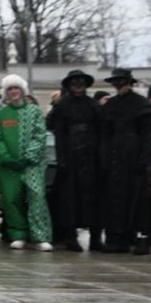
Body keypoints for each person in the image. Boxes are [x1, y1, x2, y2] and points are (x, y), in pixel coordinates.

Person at [96, 68, 151, 255]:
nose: (119, 84)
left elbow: (147, 134)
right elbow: (104, 134)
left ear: (129, 81)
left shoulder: (140, 103)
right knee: (115, 199)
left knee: (137, 199)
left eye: (122, 80)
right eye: (116, 81)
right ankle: (116, 238)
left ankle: (140, 238)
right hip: (115, 156)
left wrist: (144, 157)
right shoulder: (111, 105)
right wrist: (104, 158)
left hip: (134, 154)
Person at [0, 75, 51, 250]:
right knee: (11, 199)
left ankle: (41, 236)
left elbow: (40, 135)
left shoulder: (35, 111)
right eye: (9, 89)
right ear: (6, 93)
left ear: (23, 90)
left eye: (16, 88)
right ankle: (18, 233)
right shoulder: (1, 115)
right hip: (9, 167)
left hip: (32, 165)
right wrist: (7, 158)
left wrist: (28, 157)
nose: (13, 92)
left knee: (37, 197)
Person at [46, 70, 100, 251]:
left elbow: (101, 130)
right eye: (74, 83)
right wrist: (62, 158)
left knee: (93, 197)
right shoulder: (63, 106)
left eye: (81, 82)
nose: (78, 86)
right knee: (69, 199)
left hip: (91, 155)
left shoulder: (93, 105)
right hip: (70, 155)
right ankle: (71, 237)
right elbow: (58, 132)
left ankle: (95, 237)